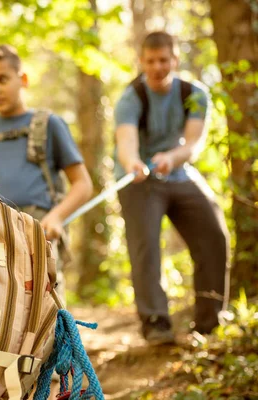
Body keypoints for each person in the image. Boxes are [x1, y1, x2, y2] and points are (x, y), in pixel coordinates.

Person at [114, 31, 230, 345]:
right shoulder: (131, 97)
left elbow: (193, 145)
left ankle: (209, 321)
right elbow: (126, 142)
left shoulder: (194, 94)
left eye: (163, 60)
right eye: (150, 61)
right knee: (147, 247)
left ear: (175, 60)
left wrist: (171, 157)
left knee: (214, 233)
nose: (157, 66)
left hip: (178, 171)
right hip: (139, 179)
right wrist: (133, 163)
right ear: (141, 61)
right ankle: (155, 324)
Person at [0, 44, 93, 303]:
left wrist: (57, 216)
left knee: (44, 307)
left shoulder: (48, 124)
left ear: (23, 80)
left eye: (2, 79)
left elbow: (82, 184)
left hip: (39, 231)